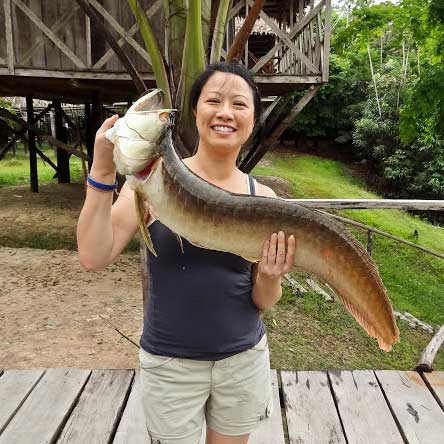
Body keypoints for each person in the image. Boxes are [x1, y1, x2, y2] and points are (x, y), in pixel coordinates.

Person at [77, 62, 296, 444]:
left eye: (239, 104)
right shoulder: (152, 182)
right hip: (170, 365)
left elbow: (263, 300)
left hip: (242, 361)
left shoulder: (264, 199)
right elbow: (94, 256)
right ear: (196, 113)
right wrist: (102, 168)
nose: (225, 112)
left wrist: (270, 276)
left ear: (252, 120)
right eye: (213, 100)